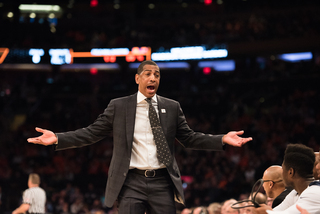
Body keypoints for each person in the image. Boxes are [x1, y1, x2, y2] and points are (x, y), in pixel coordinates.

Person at [27, 60, 252, 214]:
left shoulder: (172, 107)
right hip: (130, 181)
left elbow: (190, 138)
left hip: (162, 181)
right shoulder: (119, 106)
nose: (153, 78)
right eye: (148, 74)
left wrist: (221, 139)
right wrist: (57, 138)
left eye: (157, 74)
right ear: (137, 79)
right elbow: (92, 133)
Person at [252, 144, 320, 214]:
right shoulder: (295, 193)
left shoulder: (314, 192)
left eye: (283, 170)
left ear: (291, 172)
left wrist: (264, 212)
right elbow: (277, 210)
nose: (282, 174)